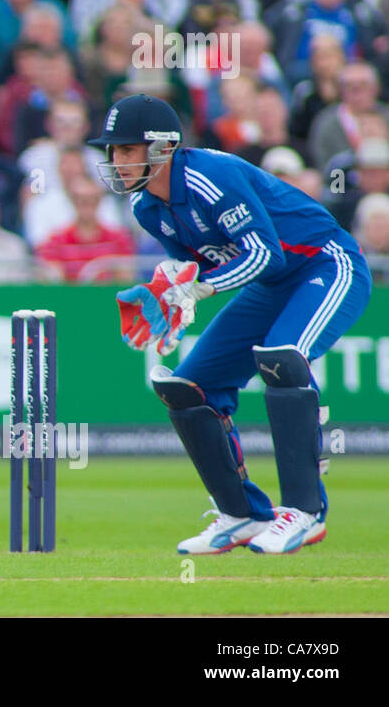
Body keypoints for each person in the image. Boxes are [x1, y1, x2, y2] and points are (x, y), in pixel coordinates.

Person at [89, 94, 371, 555]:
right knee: (187, 387)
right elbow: (193, 269)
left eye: (125, 149)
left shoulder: (208, 176)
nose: (115, 161)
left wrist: (197, 289)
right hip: (271, 284)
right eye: (113, 151)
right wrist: (171, 294)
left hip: (326, 263)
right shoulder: (148, 209)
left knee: (283, 358)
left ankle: (303, 511)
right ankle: (241, 514)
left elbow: (264, 253)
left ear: (161, 147)